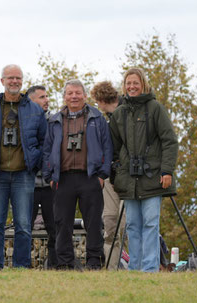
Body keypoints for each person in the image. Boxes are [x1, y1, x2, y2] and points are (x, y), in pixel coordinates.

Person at [0, 65, 46, 270]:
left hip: (23, 174)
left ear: (22, 81)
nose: (14, 81)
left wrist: (36, 162)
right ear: (2, 81)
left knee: (23, 224)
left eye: (18, 78)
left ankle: (21, 266)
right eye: (10, 78)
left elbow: (44, 142)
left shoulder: (34, 109)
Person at [109, 68, 178, 272]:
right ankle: (135, 268)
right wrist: (116, 172)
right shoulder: (119, 113)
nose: (132, 86)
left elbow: (170, 141)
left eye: (135, 83)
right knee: (132, 226)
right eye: (128, 83)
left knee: (150, 224)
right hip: (128, 179)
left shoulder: (155, 108)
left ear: (143, 84)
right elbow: (112, 147)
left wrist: (167, 171)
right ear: (124, 86)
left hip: (153, 177)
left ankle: (149, 269)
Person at [42, 79, 112, 270]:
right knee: (62, 223)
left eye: (77, 93)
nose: (74, 96)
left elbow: (107, 147)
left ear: (85, 95)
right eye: (70, 93)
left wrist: (102, 175)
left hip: (90, 177)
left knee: (94, 224)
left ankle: (94, 263)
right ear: (64, 96)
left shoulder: (97, 119)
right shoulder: (55, 120)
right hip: (62, 179)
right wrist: (49, 176)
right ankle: (65, 263)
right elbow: (47, 150)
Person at [90, 81, 126, 269]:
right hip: (110, 178)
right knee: (111, 224)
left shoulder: (127, 112)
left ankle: (138, 267)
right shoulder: (105, 121)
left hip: (128, 178)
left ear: (101, 100)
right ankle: (111, 269)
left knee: (127, 226)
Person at [26, 85, 57, 268]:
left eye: (47, 96)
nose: (46, 100)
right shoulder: (23, 122)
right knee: (24, 228)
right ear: (31, 101)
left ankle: (55, 265)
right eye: (41, 97)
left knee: (55, 228)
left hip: (50, 185)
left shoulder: (55, 122)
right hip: (27, 185)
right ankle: (23, 266)